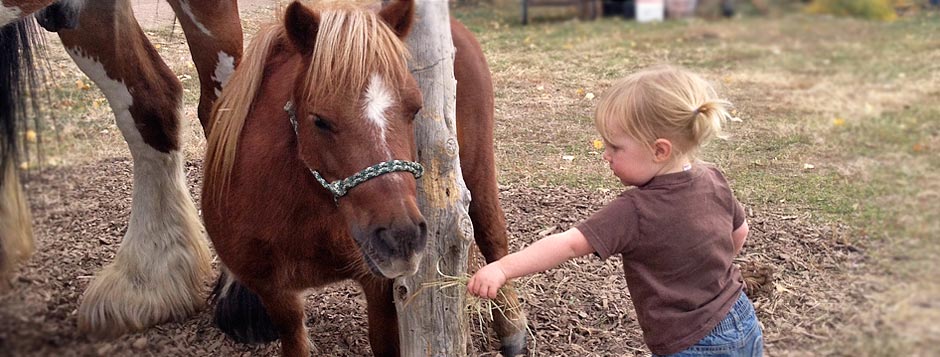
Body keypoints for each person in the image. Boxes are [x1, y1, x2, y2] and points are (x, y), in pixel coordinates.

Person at [468, 65, 763, 356]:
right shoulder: (712, 177)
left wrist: (503, 267)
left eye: (615, 147)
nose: (606, 155)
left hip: (690, 344)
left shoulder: (635, 211)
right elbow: (739, 231)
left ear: (660, 150)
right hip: (741, 319)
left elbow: (569, 244)